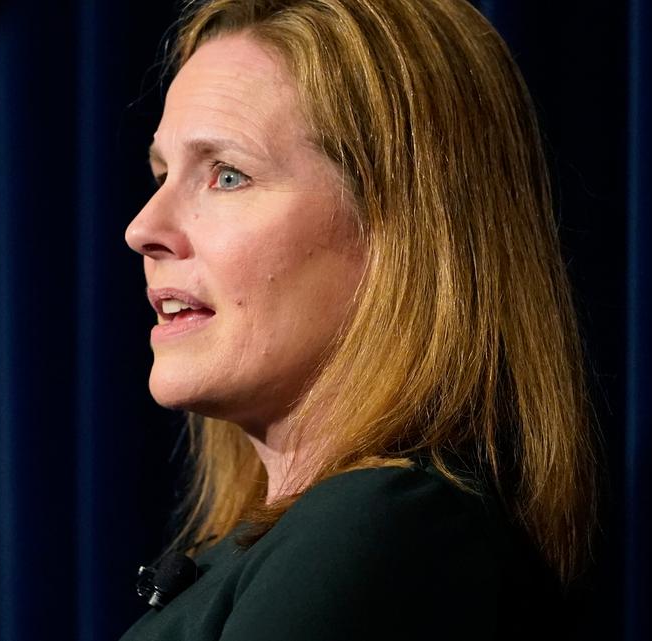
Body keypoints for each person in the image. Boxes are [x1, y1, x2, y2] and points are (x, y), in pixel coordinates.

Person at [121, 0, 598, 638]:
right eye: (161, 172)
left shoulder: (383, 528)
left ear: (401, 230)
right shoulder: (321, 536)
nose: (143, 229)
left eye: (227, 175)